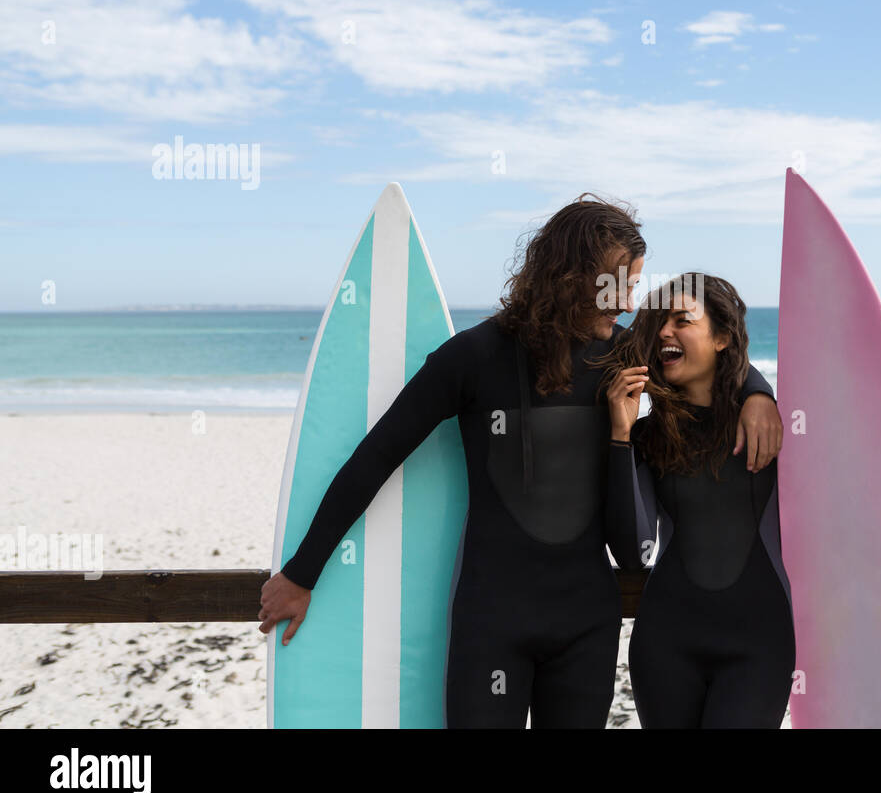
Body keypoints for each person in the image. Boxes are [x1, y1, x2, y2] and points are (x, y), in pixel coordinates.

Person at [257, 196, 783, 728]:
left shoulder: (623, 354)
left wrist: (759, 394)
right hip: (492, 624)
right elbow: (377, 456)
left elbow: (706, 359)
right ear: (574, 275)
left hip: (587, 627)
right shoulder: (474, 358)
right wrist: (303, 572)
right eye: (618, 284)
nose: (627, 303)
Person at [601, 273, 881, 728]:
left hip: (759, 646)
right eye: (657, 325)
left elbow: (851, 502)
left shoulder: (778, 429)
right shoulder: (648, 437)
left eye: (682, 320)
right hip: (664, 645)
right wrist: (619, 437)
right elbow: (632, 551)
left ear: (724, 338)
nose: (665, 332)